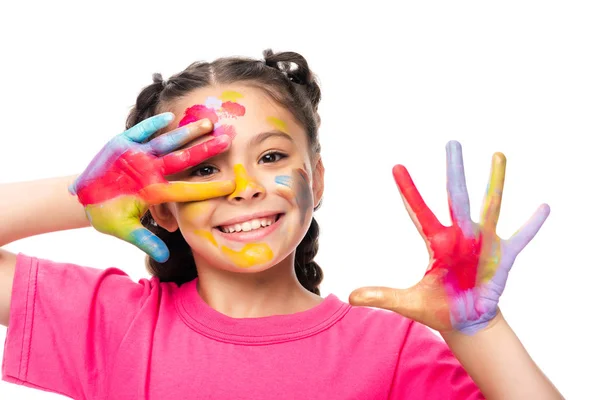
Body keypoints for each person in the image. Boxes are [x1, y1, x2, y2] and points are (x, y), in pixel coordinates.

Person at [0, 49, 563, 399]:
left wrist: (481, 334)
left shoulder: (389, 352)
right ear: (161, 203)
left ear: (315, 178)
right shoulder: (113, 323)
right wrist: (87, 196)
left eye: (270, 156)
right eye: (202, 169)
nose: (243, 185)